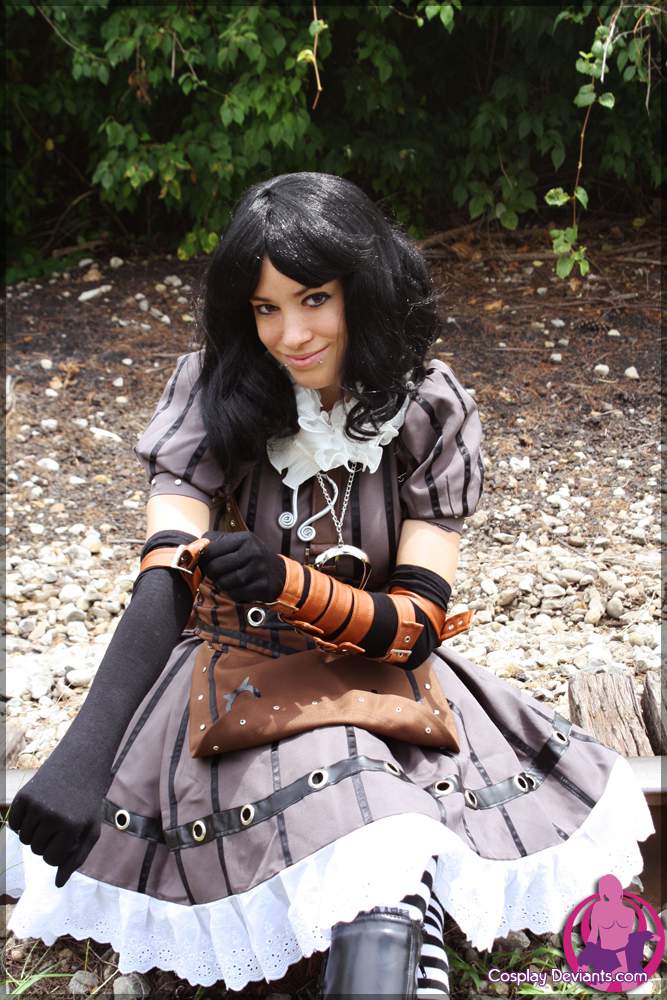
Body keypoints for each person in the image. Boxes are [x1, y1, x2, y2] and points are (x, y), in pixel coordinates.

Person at [5, 172, 653, 997]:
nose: (291, 334)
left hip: (383, 676)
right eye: (265, 308)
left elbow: (417, 624)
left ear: (362, 287)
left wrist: (290, 585)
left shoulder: (427, 405)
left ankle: (394, 940)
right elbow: (165, 572)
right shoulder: (211, 391)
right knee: (364, 821)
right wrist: (82, 756)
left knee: (380, 830)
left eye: (313, 298)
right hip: (233, 682)